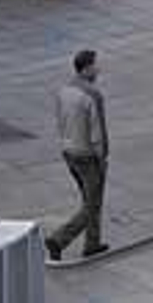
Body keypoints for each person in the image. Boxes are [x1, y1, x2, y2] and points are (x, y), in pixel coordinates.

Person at [47, 50, 110, 261]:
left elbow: (60, 120)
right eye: (96, 65)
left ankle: (93, 243)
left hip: (69, 152)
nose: (98, 69)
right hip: (88, 155)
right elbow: (97, 132)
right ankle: (59, 239)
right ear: (87, 68)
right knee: (92, 204)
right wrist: (102, 157)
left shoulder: (64, 91)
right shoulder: (92, 95)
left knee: (89, 199)